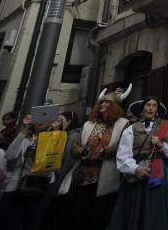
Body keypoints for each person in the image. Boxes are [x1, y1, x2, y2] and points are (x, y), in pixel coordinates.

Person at [108, 96, 168, 230]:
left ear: (157, 110)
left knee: (155, 208)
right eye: (148, 105)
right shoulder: (131, 129)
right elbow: (123, 155)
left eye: (154, 105)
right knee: (134, 207)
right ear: (142, 109)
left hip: (158, 174)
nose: (151, 108)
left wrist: (160, 144)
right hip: (137, 172)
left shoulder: (165, 126)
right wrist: (135, 169)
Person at [69, 88, 130, 230]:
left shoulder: (122, 124)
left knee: (99, 216)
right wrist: (82, 151)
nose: (102, 105)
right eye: (101, 102)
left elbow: (124, 148)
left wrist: (106, 150)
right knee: (78, 215)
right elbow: (75, 148)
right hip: (83, 176)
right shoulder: (89, 124)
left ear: (114, 106)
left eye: (107, 102)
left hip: (105, 177)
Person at [0, 114, 56, 230]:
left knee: (33, 221)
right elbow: (9, 156)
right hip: (23, 184)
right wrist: (23, 130)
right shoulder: (25, 139)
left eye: (46, 117)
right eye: (38, 118)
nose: (41, 121)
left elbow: (51, 165)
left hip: (44, 185)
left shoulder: (54, 138)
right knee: (12, 221)